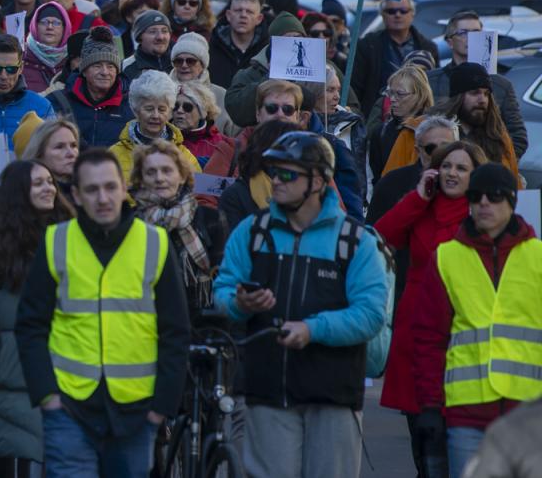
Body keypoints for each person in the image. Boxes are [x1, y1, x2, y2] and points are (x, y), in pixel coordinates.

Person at [213, 132, 391, 478]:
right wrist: (239, 302)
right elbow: (222, 292)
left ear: (320, 180)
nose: (276, 180)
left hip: (334, 396)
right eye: (273, 171)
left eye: (288, 173)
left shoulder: (355, 240)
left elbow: (370, 315)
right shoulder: (253, 231)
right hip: (267, 393)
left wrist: (313, 329)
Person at [15, 148, 191, 478]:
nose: (103, 198)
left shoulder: (154, 243)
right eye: (92, 190)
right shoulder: (56, 241)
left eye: (110, 187)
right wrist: (46, 395)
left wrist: (161, 408)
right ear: (77, 196)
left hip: (137, 410)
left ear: (124, 189)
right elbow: (30, 326)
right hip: (69, 406)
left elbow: (175, 331)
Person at [410, 162, 541, 478]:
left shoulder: (537, 256)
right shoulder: (446, 257)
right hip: (466, 414)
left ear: (511, 201)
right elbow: (428, 340)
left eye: (494, 196)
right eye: (477, 196)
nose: (484, 203)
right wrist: (429, 406)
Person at [375, 139, 487, 475]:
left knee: (457, 436)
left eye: (461, 168)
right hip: (416, 329)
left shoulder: (482, 213)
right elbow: (381, 236)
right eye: (447, 166)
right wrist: (418, 198)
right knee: (422, 434)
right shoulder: (421, 205)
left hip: (462, 333)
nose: (452, 173)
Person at [0, 160, 75, 478]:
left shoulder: (70, 233)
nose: (49, 188)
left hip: (58, 371)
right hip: (6, 380)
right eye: (38, 183)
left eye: (50, 182)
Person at [128, 140, 226, 313]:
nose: (159, 178)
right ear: (141, 179)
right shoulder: (129, 221)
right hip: (144, 316)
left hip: (201, 322)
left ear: (181, 176)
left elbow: (223, 278)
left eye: (167, 171)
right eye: (151, 172)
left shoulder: (211, 219)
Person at [426, 11, 527, 158]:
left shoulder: (500, 85)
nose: (471, 38)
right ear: (450, 42)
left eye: (476, 33)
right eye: (463, 33)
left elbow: (518, 136)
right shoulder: (430, 81)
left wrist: (493, 165)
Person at [349, 0, 438, 115]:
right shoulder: (367, 46)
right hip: (376, 116)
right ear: (382, 15)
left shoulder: (428, 48)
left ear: (412, 14)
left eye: (403, 11)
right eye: (391, 11)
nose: (398, 15)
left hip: (418, 117)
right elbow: (355, 87)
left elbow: (435, 86)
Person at [47, 28, 133, 150]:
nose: (105, 72)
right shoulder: (57, 102)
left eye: (110, 67)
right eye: (97, 66)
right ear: (84, 71)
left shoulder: (132, 105)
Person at [108, 70, 198, 176]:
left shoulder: (185, 158)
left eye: (162, 109)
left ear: (170, 112)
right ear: (136, 110)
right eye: (149, 109)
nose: (155, 115)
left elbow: (196, 192)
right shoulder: (114, 155)